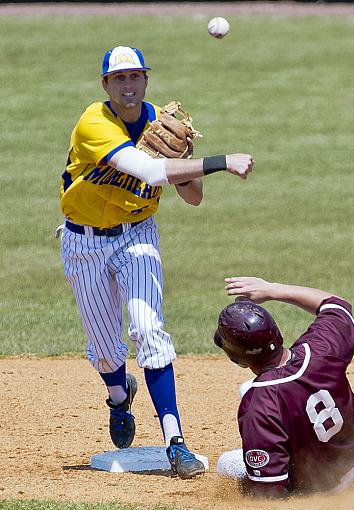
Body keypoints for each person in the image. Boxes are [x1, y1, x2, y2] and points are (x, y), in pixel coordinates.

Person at [58, 45, 254, 480]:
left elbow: (193, 198)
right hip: (83, 243)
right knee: (107, 353)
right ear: (106, 85)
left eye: (135, 77)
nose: (128, 86)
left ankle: (175, 442)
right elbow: (146, 172)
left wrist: (187, 165)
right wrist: (223, 161)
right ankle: (117, 397)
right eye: (119, 79)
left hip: (138, 238)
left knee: (149, 331)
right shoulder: (94, 123)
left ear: (146, 80)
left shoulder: (160, 122)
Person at [214, 276, 354, 497]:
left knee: (226, 464)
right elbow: (336, 305)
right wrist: (272, 289)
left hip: (319, 486)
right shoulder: (320, 349)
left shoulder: (259, 404)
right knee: (254, 391)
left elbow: (268, 493)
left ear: (235, 358)